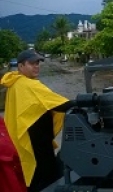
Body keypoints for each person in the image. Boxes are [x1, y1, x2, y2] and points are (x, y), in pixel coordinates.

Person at [0, 49, 77, 192]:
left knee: (36, 176)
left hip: (32, 137)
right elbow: (58, 103)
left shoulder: (15, 82)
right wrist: (81, 103)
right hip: (36, 142)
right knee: (44, 179)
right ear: (21, 66)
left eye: (38, 63)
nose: (37, 66)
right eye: (32, 63)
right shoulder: (27, 85)